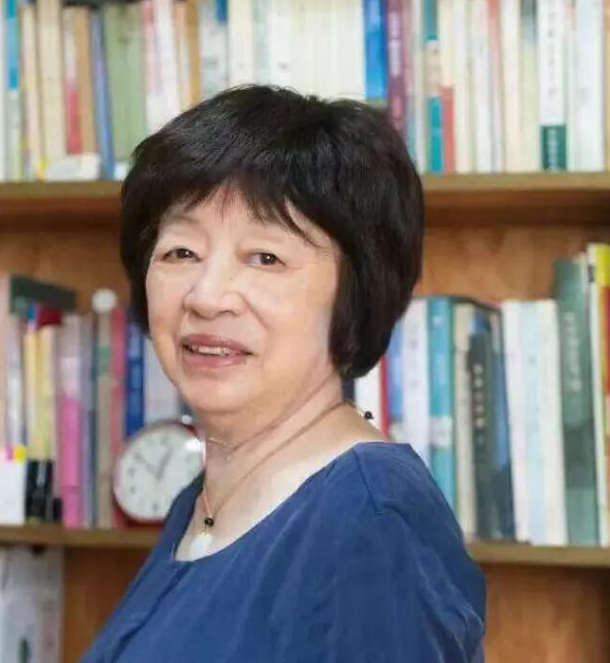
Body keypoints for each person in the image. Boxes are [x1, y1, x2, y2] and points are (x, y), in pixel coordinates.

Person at [83, 85, 486, 662]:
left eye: (265, 257)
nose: (207, 296)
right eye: (181, 252)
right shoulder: (203, 499)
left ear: (354, 294)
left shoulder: (369, 519)